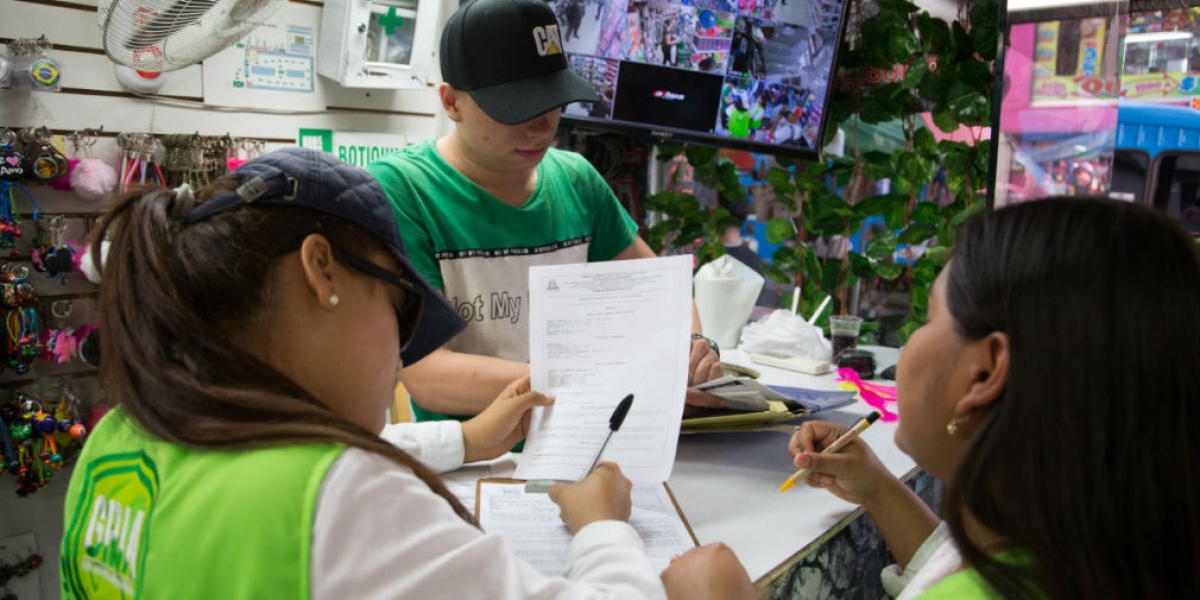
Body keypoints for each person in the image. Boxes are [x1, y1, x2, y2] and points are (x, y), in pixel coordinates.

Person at [60, 147, 754, 599]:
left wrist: (464, 442)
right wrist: (606, 529)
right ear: (320, 271)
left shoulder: (119, 439)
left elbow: (282, 464)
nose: (399, 354)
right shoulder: (344, 500)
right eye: (399, 306)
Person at [787, 198, 1200, 599]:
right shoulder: (1093, 558)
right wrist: (876, 487)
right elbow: (955, 571)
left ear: (984, 373)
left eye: (931, 318)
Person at [368, 0, 725, 423]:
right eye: (515, 109)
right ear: (451, 102)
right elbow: (430, 375)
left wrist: (694, 347)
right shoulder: (402, 191)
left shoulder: (576, 179)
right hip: (477, 465)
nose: (541, 127)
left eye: (553, 101)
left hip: (589, 445)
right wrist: (597, 383)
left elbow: (662, 295)